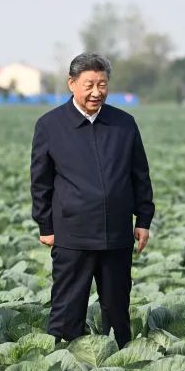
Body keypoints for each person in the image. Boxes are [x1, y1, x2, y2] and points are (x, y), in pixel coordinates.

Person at [30, 52, 154, 346]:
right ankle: (63, 360)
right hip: (72, 234)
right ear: (71, 84)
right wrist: (45, 226)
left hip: (116, 234)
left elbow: (140, 174)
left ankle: (121, 356)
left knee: (117, 306)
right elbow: (41, 181)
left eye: (102, 84)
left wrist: (144, 219)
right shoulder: (50, 125)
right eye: (89, 85)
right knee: (67, 307)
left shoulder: (124, 123)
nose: (97, 92)